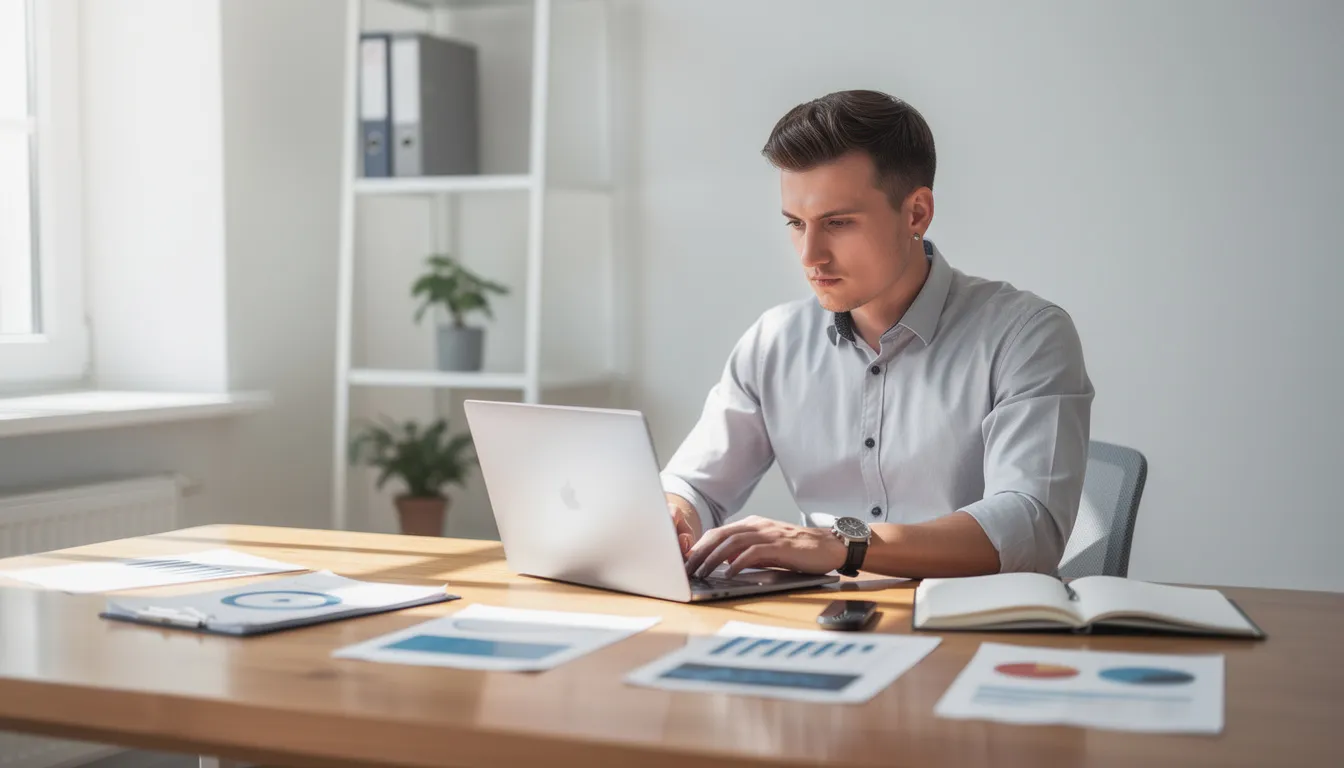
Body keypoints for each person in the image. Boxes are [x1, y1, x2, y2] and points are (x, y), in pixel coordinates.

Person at [661, 90, 1094, 582]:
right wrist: (677, 512)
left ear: (916, 213)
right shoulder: (773, 343)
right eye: (796, 224)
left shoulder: (1026, 337)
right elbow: (695, 485)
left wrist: (842, 545)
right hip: (824, 625)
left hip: (973, 631)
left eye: (838, 223)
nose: (810, 255)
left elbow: (1028, 526)